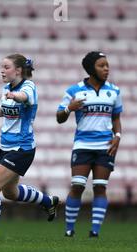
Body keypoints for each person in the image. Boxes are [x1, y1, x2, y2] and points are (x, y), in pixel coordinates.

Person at [0, 54, 59, 240]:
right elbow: (7, 110)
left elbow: (24, 98)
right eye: (1, 67)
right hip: (5, 146)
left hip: (22, 148)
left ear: (19, 70)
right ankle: (48, 201)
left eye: (6, 67)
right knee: (10, 192)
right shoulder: (6, 88)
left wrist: (16, 96)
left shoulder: (28, 87)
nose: (2, 70)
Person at [57, 51, 122, 238]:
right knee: (77, 186)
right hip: (83, 145)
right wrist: (69, 108)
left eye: (107, 65)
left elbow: (116, 117)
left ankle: (95, 231)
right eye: (102, 65)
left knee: (100, 187)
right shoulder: (74, 91)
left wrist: (117, 136)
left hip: (106, 146)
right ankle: (69, 230)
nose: (106, 69)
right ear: (91, 68)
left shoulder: (114, 91)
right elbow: (59, 117)